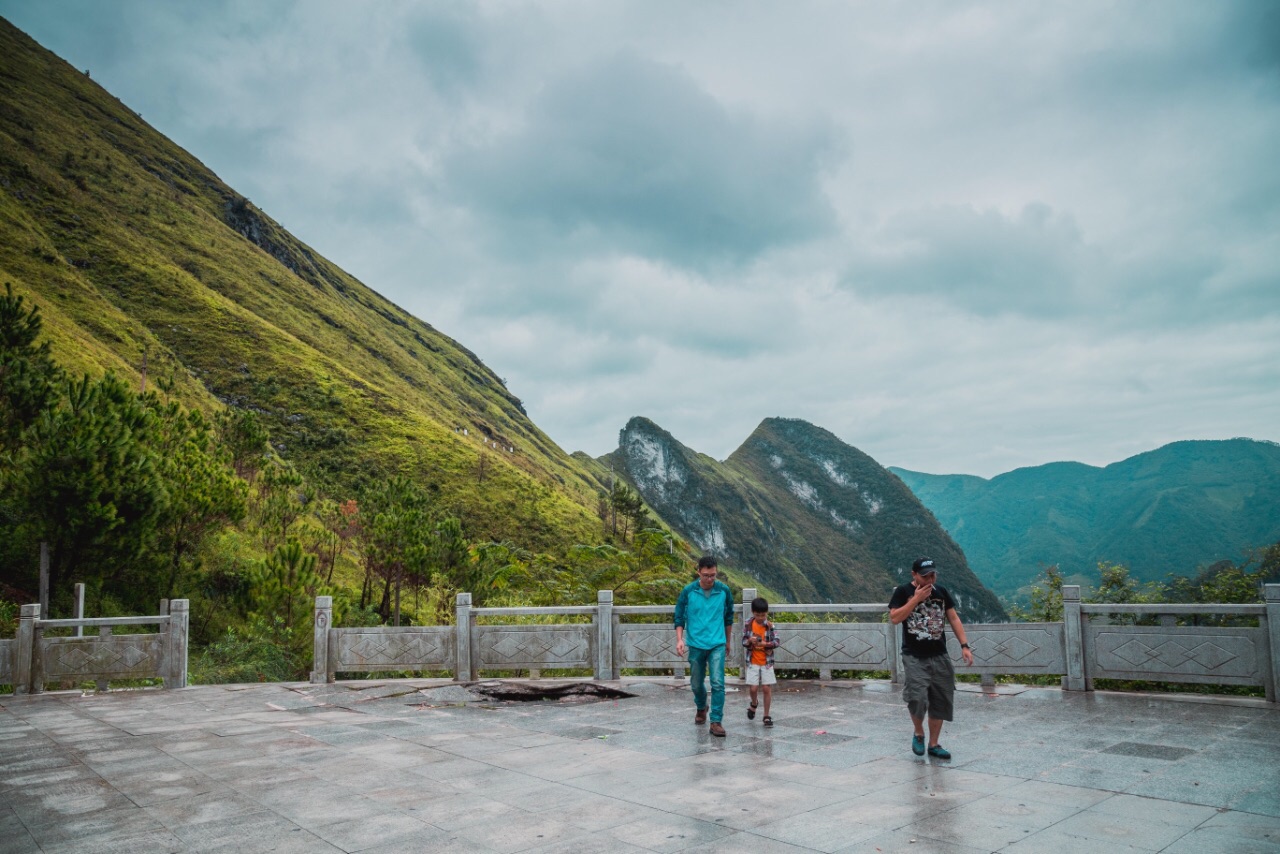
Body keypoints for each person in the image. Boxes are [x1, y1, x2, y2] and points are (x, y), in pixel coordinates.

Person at [888, 557, 975, 759]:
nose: (930, 579)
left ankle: (934, 744)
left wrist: (964, 645)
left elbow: (953, 617)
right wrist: (916, 600)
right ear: (914, 575)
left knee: (941, 698)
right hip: (914, 655)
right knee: (916, 697)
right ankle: (919, 733)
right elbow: (894, 618)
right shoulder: (903, 592)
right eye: (925, 576)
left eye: (933, 574)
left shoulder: (941, 592)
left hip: (939, 654)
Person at [674, 555, 735, 737]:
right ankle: (702, 706)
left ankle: (716, 721)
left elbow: (728, 618)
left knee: (717, 682)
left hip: (717, 643)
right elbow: (679, 617)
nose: (709, 579)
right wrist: (679, 639)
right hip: (696, 643)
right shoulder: (688, 591)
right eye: (706, 575)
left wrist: (728, 641)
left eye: (713, 575)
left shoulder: (724, 591)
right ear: (698, 572)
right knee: (695, 683)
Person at [742, 597, 779, 727]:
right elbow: (743, 642)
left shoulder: (770, 626)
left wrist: (765, 644)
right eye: (758, 615)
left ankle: (766, 715)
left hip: (767, 662)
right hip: (752, 661)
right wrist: (749, 642)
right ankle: (754, 703)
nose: (760, 617)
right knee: (753, 688)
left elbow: (777, 642)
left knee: (766, 688)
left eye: (763, 615)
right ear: (753, 612)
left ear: (766, 613)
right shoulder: (748, 624)